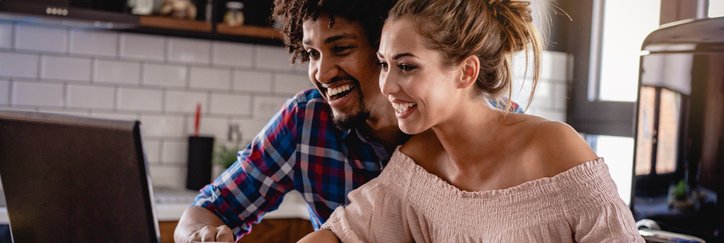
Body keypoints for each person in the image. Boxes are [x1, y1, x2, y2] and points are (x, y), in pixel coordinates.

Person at [173, 0, 523, 242]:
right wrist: (200, 236)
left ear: (384, 47)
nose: (321, 73)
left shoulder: (481, 125)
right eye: (312, 53)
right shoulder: (306, 120)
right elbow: (208, 209)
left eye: (341, 49)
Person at [300, 0, 644, 242]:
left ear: (466, 72)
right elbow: (341, 236)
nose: (387, 85)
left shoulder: (554, 149)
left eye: (406, 66)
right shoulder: (415, 168)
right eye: (384, 64)